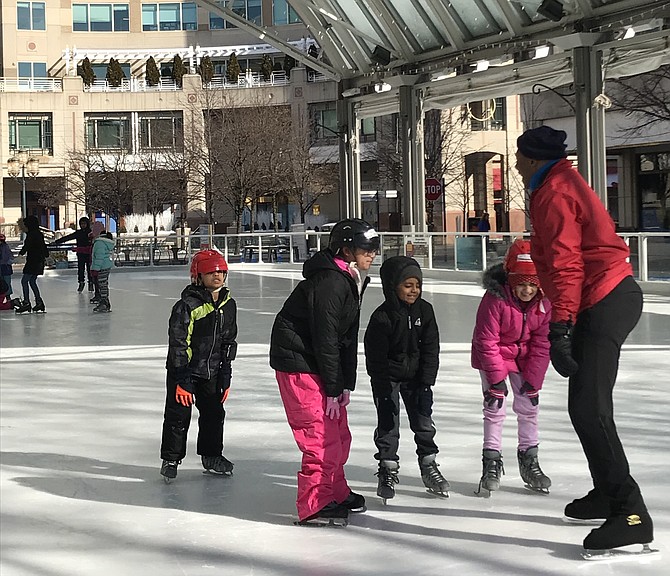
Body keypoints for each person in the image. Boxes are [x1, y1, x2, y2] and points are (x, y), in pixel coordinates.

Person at [515, 125, 653, 552]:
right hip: (604, 297)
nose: (516, 164)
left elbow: (565, 263)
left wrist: (561, 325)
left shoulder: (554, 192)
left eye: (520, 156)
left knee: (590, 409)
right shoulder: (556, 183)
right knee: (585, 407)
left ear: (532, 159)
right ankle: (607, 491)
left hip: (605, 298)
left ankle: (630, 512)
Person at [269, 218, 379, 526]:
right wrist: (333, 386)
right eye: (365, 248)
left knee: (338, 433)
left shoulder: (350, 277)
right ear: (345, 249)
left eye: (374, 248)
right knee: (318, 434)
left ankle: (334, 491)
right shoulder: (330, 282)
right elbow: (326, 335)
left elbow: (346, 336)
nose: (371, 254)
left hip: (318, 362)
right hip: (299, 361)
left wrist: (343, 383)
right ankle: (314, 503)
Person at [364, 256, 448, 503]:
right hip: (387, 378)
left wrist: (427, 381)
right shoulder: (382, 317)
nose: (414, 291)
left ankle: (429, 464)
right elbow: (375, 358)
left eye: (417, 285)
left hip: (416, 379)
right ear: (393, 286)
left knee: (423, 422)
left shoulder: (425, 311)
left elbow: (431, 347)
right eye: (408, 285)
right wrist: (382, 391)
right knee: (388, 425)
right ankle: (387, 468)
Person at [471, 239, 551, 496]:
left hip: (525, 358)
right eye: (521, 284)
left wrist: (533, 381)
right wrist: (495, 382)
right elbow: (486, 341)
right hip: (494, 356)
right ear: (510, 282)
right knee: (494, 407)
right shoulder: (495, 300)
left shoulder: (544, 303)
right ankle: (491, 461)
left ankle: (530, 458)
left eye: (532, 284)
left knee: (529, 407)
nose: (527, 290)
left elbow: (542, 343)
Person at [160, 250, 238, 482]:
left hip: (212, 371)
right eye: (211, 271)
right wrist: (182, 379)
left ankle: (212, 455)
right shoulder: (187, 306)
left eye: (221, 271)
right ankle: (171, 458)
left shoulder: (228, 305)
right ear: (197, 275)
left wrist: (225, 375)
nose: (217, 276)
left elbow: (228, 341)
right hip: (184, 371)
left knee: (214, 414)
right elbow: (178, 343)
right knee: (178, 416)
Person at [14, 215, 49, 314]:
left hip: (33, 261)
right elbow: (43, 246)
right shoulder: (38, 234)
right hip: (38, 261)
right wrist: (46, 256)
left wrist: (20, 253)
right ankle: (39, 302)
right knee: (32, 281)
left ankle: (26, 303)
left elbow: (27, 245)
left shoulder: (32, 234)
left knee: (24, 281)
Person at [50, 216, 93, 292]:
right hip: (80, 253)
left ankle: (91, 283)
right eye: (81, 224)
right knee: (81, 269)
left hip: (89, 253)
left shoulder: (91, 232)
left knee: (90, 269)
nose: (83, 225)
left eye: (84, 223)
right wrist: (57, 242)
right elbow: (68, 237)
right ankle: (81, 282)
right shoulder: (78, 233)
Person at [90, 224, 115, 313]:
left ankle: (104, 302)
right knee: (103, 284)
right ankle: (104, 301)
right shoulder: (101, 242)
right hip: (104, 266)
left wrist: (96, 269)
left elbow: (99, 257)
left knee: (102, 285)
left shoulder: (99, 243)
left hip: (102, 267)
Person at [0, 232, 14, 299]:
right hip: (5, 267)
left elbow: (10, 257)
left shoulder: (6, 247)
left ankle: (8, 297)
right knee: (4, 283)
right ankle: (5, 297)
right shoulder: (5, 247)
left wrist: (8, 263)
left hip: (5, 267)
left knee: (6, 283)